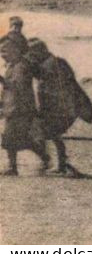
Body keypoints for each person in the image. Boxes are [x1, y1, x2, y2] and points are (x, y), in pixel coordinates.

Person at [25, 39, 91, 177]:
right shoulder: (53, 62)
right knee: (53, 136)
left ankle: (55, 162)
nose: (31, 58)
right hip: (60, 107)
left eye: (32, 54)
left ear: (40, 51)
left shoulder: (52, 65)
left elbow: (58, 87)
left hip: (61, 108)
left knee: (44, 133)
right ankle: (59, 163)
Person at [1, 39, 48, 176]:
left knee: (10, 138)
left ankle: (13, 167)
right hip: (14, 107)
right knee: (19, 139)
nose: (2, 54)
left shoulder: (21, 66)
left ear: (15, 50)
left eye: (4, 50)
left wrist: (2, 81)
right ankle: (43, 155)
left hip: (20, 109)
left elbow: (18, 88)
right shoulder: (14, 65)